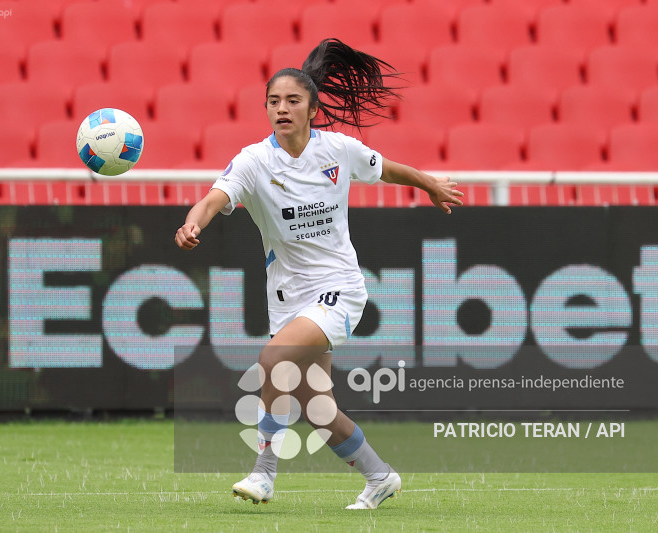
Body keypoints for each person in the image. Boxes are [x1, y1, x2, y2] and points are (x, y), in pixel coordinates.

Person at [174, 38, 463, 510]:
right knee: (317, 408)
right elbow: (214, 198)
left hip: (340, 290)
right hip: (288, 299)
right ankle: (379, 476)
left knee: (274, 359)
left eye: (293, 100)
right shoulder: (254, 161)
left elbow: (387, 170)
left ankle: (264, 474)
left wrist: (429, 183)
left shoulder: (338, 150)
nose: (282, 109)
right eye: (273, 101)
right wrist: (192, 223)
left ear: (312, 109)